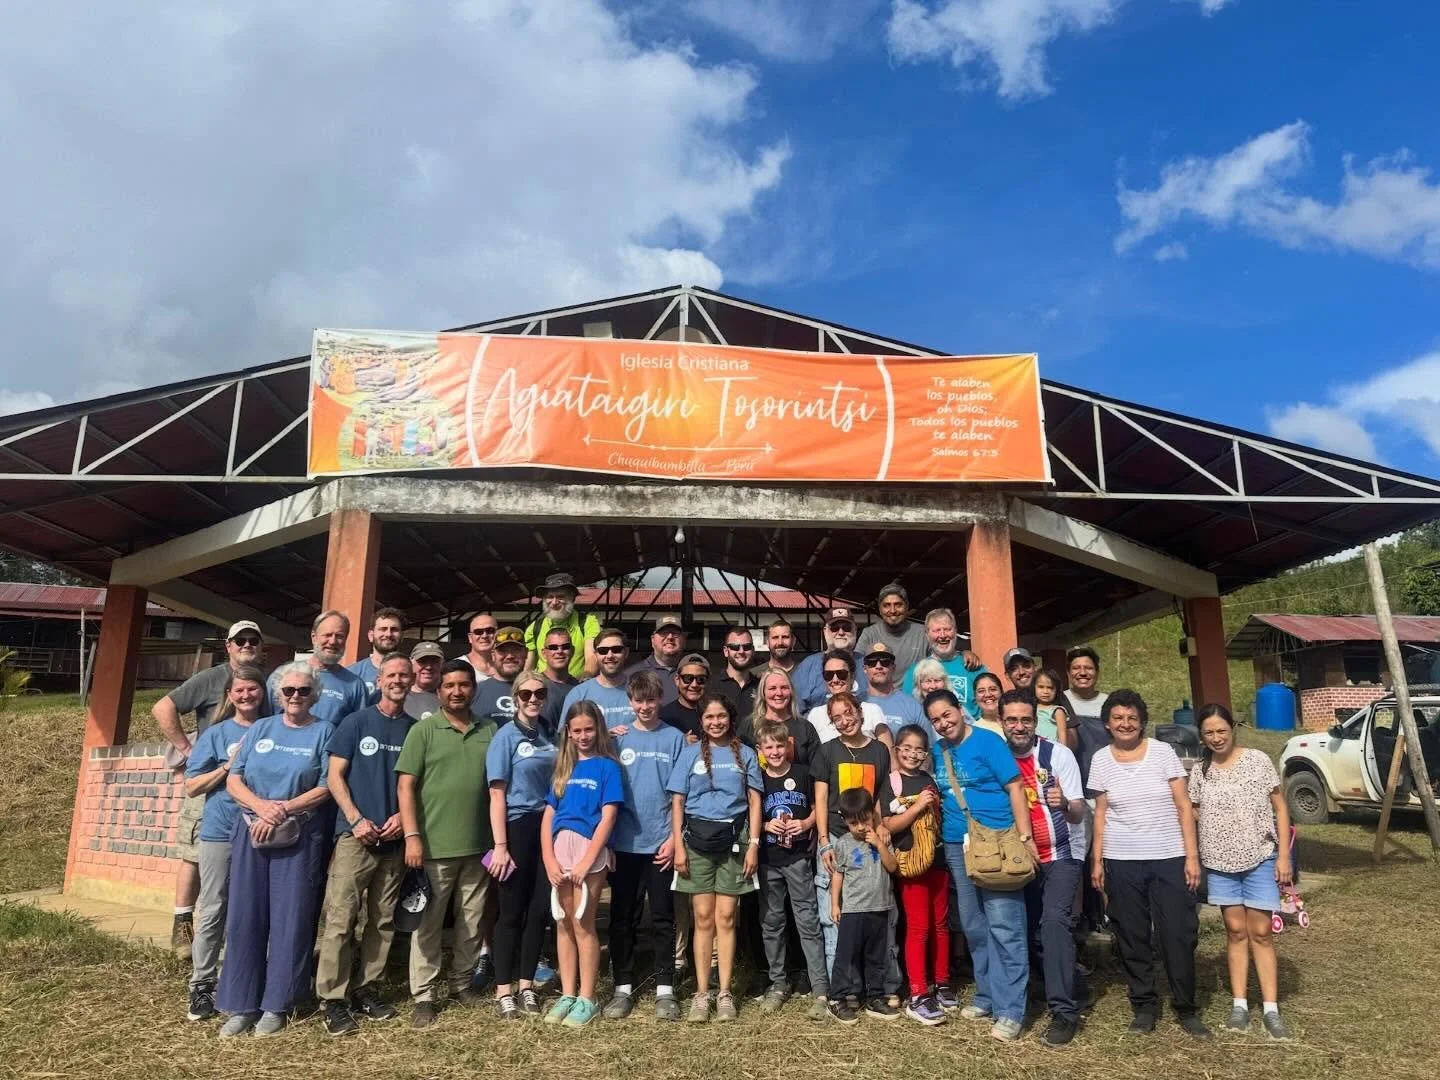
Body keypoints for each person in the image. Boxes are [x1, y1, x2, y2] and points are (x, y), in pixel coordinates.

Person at [215, 663, 335, 1038]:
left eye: (303, 690)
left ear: (313, 694)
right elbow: (234, 779)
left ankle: (276, 1004)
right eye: (288, 691)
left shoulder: (324, 732)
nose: (295, 696)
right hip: (253, 831)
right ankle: (242, 1003)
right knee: (245, 916)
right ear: (278, 695)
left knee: (291, 919)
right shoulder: (262, 729)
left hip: (299, 835)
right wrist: (262, 807)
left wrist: (281, 809)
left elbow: (327, 785)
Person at [1088, 689, 1209, 1039]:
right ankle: (1144, 1004)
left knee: (1178, 933)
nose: (1125, 724)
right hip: (1121, 859)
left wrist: (1191, 856)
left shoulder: (1163, 753)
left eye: (1132, 718)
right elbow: (1101, 815)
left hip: (1169, 856)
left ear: (1141, 722)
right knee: (1132, 934)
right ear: (1108, 724)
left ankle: (1186, 1006)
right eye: (1118, 718)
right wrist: (1097, 861)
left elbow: (1184, 806)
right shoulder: (1100, 760)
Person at [926, 687, 1036, 1043]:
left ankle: (1011, 1009)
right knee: (974, 925)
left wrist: (1025, 836)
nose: (944, 723)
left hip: (997, 839)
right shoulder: (937, 751)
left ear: (960, 709)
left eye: (947, 714)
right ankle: (988, 996)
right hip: (959, 845)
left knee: (1006, 925)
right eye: (936, 720)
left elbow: (1016, 786)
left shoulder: (988, 742)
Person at [315, 654, 416, 1035]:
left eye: (404, 676)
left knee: (383, 920)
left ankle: (367, 988)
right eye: (392, 675)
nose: (398, 681)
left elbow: (419, 786)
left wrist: (404, 821)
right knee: (340, 918)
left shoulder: (414, 729)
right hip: (355, 838)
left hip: (392, 841)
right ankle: (332, 998)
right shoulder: (356, 722)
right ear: (379, 679)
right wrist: (355, 819)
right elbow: (335, 776)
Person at [154, 619, 270, 951]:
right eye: (240, 641)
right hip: (211, 783)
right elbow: (163, 707)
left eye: (253, 641)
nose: (247, 645)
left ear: (261, 647)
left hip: (252, 789)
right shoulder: (211, 678)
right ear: (229, 646)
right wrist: (188, 750)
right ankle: (182, 924)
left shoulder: (265, 682)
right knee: (194, 855)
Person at [396, 660, 496, 1029]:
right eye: (450, 685)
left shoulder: (490, 729)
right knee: (429, 925)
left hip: (479, 846)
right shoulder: (424, 732)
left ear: (474, 689)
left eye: (464, 685)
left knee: (471, 922)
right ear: (438, 691)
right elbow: (405, 786)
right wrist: (412, 836)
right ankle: (423, 994)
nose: (457, 691)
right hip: (433, 847)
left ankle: (461, 983)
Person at [1189, 703, 1292, 1040]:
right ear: (1202, 737)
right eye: (1209, 733)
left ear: (1232, 729)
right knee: (1235, 931)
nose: (1216, 738)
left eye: (1222, 730)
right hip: (1219, 863)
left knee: (1261, 932)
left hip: (1261, 857)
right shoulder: (1200, 770)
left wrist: (1284, 857)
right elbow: (1192, 812)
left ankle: (1271, 1009)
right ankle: (1239, 1005)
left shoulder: (1259, 761)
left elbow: (1280, 806)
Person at [667, 694, 763, 1023]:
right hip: (695, 843)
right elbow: (677, 802)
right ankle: (701, 992)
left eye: (721, 716)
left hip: (734, 842)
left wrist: (753, 844)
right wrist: (678, 845)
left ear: (730, 718)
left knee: (726, 917)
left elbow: (754, 802)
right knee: (702, 917)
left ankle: (724, 993)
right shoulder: (689, 753)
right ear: (702, 721)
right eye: (709, 717)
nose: (716, 722)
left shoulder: (746, 754)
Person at [1000, 690, 1088, 1047]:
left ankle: (1064, 1012)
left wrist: (1065, 802)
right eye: (1012, 720)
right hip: (1020, 857)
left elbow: (1081, 811)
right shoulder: (999, 754)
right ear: (1002, 721)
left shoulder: (1057, 754)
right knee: (1032, 931)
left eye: (1026, 719)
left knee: (1053, 922)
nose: (1019, 726)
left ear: (1035, 721)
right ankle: (1067, 983)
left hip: (1062, 853)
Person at [183, 664, 265, 1023]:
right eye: (239, 690)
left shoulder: (272, 729)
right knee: (214, 907)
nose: (246, 696)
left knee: (248, 910)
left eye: (252, 689)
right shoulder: (216, 734)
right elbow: (191, 785)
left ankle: (240, 982)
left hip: (262, 833)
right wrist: (226, 768)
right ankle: (201, 984)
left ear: (263, 692)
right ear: (230, 696)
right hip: (219, 831)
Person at [605, 671, 686, 1022]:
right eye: (639, 701)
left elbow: (682, 794)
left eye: (652, 700)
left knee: (664, 917)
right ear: (630, 702)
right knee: (623, 916)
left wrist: (674, 838)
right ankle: (622, 984)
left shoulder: (675, 739)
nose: (646, 707)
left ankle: (665, 986)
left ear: (659, 700)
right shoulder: (617, 740)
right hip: (624, 843)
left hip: (661, 843)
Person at [541, 700, 624, 1028]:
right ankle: (567, 992)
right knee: (562, 922)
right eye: (577, 731)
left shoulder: (607, 767)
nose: (584, 735)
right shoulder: (563, 767)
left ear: (599, 730)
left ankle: (588, 997)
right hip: (560, 851)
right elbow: (548, 816)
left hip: (589, 853)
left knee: (583, 922)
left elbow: (609, 816)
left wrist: (589, 860)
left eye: (589, 729)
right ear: (569, 734)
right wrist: (548, 859)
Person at [485, 669, 560, 1020]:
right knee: (510, 910)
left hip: (546, 827)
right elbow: (496, 794)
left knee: (538, 911)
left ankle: (526, 984)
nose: (533, 700)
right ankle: (504, 990)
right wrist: (501, 846)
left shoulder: (549, 733)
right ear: (516, 698)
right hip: (515, 828)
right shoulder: (505, 737)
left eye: (539, 694)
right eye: (526, 694)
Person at [754, 722, 830, 1021]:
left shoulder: (801, 772)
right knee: (772, 922)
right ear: (760, 750)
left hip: (798, 858)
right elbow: (750, 813)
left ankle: (820, 987)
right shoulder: (757, 778)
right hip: (768, 859)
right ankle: (778, 982)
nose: (774, 752)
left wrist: (808, 824)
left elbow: (816, 807)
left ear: (788, 744)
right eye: (768, 747)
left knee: (807, 921)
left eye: (778, 746)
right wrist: (763, 825)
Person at [812, 692, 892, 976]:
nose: (845, 721)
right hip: (836, 837)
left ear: (860, 712)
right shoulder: (827, 751)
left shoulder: (880, 751)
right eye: (837, 718)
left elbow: (882, 793)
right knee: (834, 912)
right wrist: (823, 842)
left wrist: (881, 826)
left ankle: (872, 980)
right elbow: (820, 798)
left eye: (849, 713)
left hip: (868, 838)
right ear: (832, 723)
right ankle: (840, 982)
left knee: (872, 910)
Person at [878, 724, 951, 1027]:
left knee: (941, 925)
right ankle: (918, 992)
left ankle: (942, 981)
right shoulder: (891, 782)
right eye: (906, 748)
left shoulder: (929, 780)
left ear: (925, 754)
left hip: (939, 860)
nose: (912, 753)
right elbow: (887, 826)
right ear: (896, 750)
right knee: (919, 928)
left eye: (919, 749)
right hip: (911, 864)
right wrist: (918, 805)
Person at [827, 788, 900, 1024]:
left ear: (872, 815)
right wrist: (835, 904)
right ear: (845, 822)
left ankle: (875, 998)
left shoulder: (882, 839)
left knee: (876, 957)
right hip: (853, 910)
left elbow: (893, 867)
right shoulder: (844, 845)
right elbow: (838, 875)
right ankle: (837, 998)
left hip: (880, 907)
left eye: (864, 820)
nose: (860, 827)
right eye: (853, 823)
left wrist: (879, 844)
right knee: (846, 956)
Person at [266, 610, 368, 727]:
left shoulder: (355, 685)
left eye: (339, 636)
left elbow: (360, 728)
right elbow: (265, 718)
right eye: (327, 635)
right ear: (314, 637)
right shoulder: (283, 675)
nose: (333, 641)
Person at [900, 609, 985, 716]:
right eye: (937, 630)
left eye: (947, 629)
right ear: (927, 635)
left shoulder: (974, 666)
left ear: (955, 631)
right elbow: (907, 710)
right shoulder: (915, 671)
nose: (943, 635)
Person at [806, 650, 893, 754]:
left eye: (841, 674)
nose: (835, 679)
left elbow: (888, 752)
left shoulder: (872, 710)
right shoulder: (816, 714)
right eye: (828, 675)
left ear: (852, 677)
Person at [524, 572, 601, 678]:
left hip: (576, 687)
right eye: (550, 597)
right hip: (544, 690)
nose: (554, 602)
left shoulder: (588, 622)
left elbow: (592, 657)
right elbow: (528, 667)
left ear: (572, 598)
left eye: (560, 597)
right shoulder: (534, 627)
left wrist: (585, 680)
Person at [792, 607, 869, 712]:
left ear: (855, 630)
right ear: (825, 631)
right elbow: (796, 709)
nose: (841, 632)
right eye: (834, 628)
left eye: (846, 627)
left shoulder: (868, 664)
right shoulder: (807, 666)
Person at [562, 626, 635, 730]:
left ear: (626, 652)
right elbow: (566, 737)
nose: (610, 655)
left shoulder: (640, 690)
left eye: (616, 649)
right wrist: (602, 738)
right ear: (596, 654)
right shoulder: (579, 694)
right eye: (603, 651)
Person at [747, 668, 818, 768]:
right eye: (772, 688)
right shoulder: (750, 726)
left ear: (791, 691)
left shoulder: (805, 728)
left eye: (784, 688)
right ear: (763, 693)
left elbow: (817, 769)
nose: (779, 693)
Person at [861, 642, 928, 746]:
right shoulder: (856, 702)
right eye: (872, 663)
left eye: (885, 662)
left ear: (893, 667)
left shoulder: (912, 706)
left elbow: (927, 748)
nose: (879, 666)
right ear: (864, 669)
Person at [856, 583, 929, 673]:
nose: (893, 610)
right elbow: (858, 668)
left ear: (907, 606)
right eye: (887, 605)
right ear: (880, 609)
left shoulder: (923, 633)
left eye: (898, 605)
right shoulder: (869, 634)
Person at [1062, 646, 1107, 776]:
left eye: (1088, 668)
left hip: (1104, 778)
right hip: (1069, 780)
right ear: (1068, 673)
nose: (1082, 673)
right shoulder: (1059, 701)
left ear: (1097, 672)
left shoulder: (1110, 703)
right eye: (1076, 668)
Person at [624, 615, 688, 705]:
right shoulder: (631, 675)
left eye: (675, 633)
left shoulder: (694, 675)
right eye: (663, 632)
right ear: (652, 640)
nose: (670, 637)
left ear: (684, 640)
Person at [472, 626, 528, 726]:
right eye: (503, 650)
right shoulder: (475, 692)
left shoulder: (540, 692)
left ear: (526, 653)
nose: (510, 656)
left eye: (515, 650)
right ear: (493, 655)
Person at [347, 607, 405, 699]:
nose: (388, 634)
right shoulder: (352, 674)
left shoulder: (411, 673)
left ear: (401, 636)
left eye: (394, 629)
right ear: (371, 636)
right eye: (383, 629)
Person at [537, 626, 580, 735]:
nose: (559, 651)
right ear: (543, 653)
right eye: (553, 647)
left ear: (572, 651)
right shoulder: (534, 686)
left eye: (565, 647)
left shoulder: (581, 689)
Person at [714, 626, 759, 721]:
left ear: (753, 650)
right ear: (726, 651)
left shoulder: (762, 687)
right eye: (735, 647)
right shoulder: (711, 686)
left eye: (747, 647)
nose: (741, 651)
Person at [660, 653, 710, 738]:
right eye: (688, 678)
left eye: (701, 679)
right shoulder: (664, 717)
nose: (694, 685)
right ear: (677, 680)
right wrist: (679, 744)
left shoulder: (715, 715)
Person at [404, 641, 444, 721]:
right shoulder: (399, 696)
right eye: (422, 661)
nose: (428, 667)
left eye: (434, 661)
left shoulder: (450, 697)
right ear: (411, 663)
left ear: (442, 664)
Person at [1033, 668, 1072, 746]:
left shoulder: (1057, 711)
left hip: (1052, 750)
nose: (1045, 692)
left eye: (1050, 688)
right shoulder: (1030, 708)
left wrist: (1062, 753)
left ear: (1056, 690)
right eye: (1041, 687)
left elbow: (1062, 735)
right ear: (1034, 687)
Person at [461, 613, 500, 682]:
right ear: (470, 638)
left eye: (490, 630)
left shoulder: (507, 666)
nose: (484, 636)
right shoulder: (458, 666)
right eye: (478, 632)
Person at [971, 672, 1006, 737]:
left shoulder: (1015, 720)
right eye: (981, 691)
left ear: (1002, 692)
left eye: (993, 689)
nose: (987, 694)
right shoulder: (974, 731)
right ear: (975, 697)